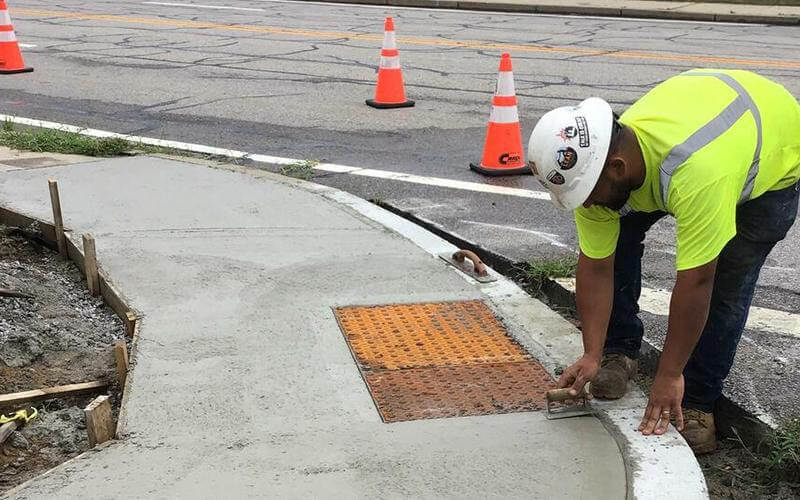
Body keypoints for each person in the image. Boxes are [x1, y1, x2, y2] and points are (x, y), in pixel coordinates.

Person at [527, 69, 800, 454]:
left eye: (587, 195)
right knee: (616, 236)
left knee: (728, 282)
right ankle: (619, 353)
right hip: (695, 123)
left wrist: (669, 374)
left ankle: (699, 401)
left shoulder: (697, 173)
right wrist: (592, 352)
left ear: (618, 169)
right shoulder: (599, 170)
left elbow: (697, 282)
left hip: (772, 157)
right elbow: (595, 265)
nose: (585, 205)